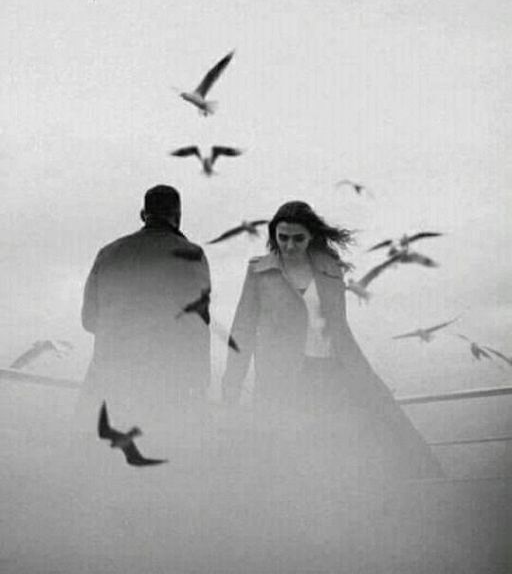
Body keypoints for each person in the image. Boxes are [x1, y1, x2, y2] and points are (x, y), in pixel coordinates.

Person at [221, 200, 443, 478]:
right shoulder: (259, 272)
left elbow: (339, 327)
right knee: (289, 461)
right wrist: (231, 385)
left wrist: (361, 374)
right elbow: (242, 330)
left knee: (354, 450)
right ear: (273, 235)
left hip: (331, 374)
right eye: (283, 237)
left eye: (298, 238)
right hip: (283, 380)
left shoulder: (330, 269)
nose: (289, 245)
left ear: (311, 236)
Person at [78, 185, 211, 432]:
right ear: (178, 215)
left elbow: (88, 320)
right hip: (165, 388)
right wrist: (201, 382)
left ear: (143, 214)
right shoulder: (191, 256)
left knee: (103, 453)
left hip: (109, 383)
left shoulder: (109, 253)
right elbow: (197, 326)